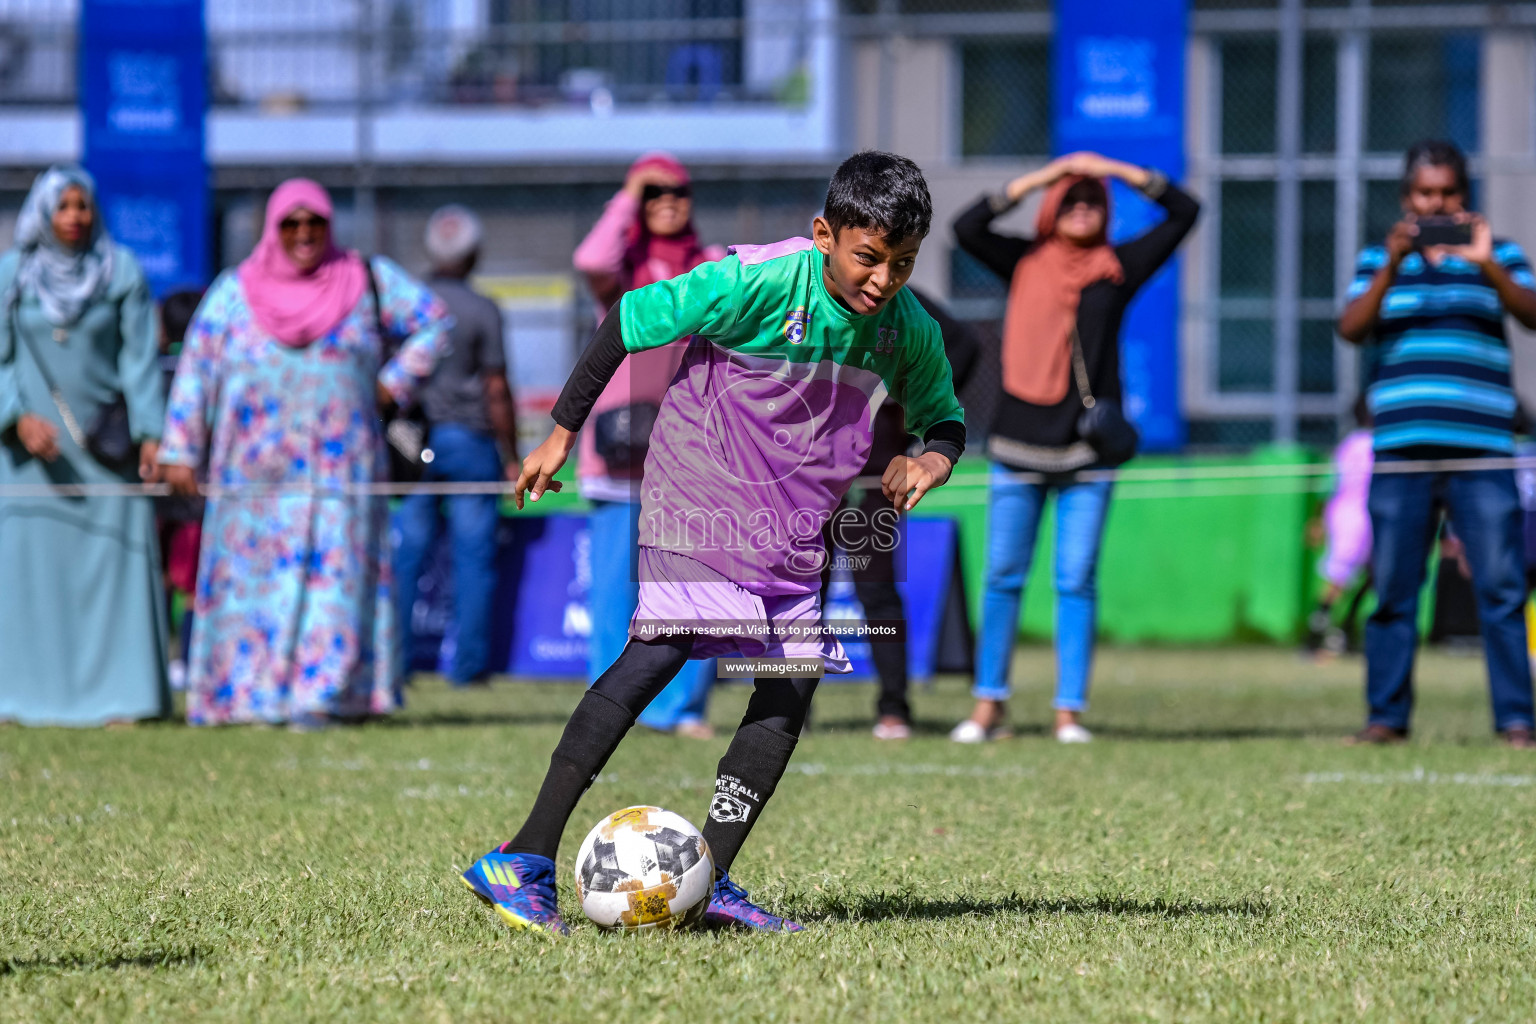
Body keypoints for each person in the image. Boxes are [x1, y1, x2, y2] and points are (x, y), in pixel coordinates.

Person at [460, 151, 965, 935]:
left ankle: (715, 878)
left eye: (902, 264)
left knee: (791, 680)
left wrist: (931, 456)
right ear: (825, 235)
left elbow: (946, 417)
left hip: (795, 520)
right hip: (700, 487)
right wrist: (560, 435)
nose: (883, 280)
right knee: (664, 647)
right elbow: (627, 321)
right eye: (868, 258)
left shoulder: (905, 327)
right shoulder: (751, 282)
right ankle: (522, 856)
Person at [159, 178, 450, 729]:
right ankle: (244, 697)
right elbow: (196, 368)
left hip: (340, 470)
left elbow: (435, 322)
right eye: (290, 224)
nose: (303, 235)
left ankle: (326, 696)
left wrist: (394, 384)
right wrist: (180, 447)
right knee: (251, 587)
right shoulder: (233, 291)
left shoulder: (364, 279)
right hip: (253, 476)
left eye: (314, 223)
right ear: (272, 228)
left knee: (334, 583)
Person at [949, 151, 1199, 744]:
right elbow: (966, 228)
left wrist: (1118, 169)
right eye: (1072, 199)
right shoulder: (1024, 260)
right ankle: (989, 706)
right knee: (1004, 577)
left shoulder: (1118, 267)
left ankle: (1069, 713)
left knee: (1076, 579)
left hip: (1089, 450)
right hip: (1017, 443)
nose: (1083, 208)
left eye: (1093, 201)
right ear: (1053, 208)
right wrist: (1041, 176)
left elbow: (1185, 212)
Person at [1336, 139, 1536, 747]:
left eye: (1448, 191)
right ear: (1407, 198)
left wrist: (1488, 265)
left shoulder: (1498, 253)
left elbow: (1531, 312)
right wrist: (1393, 265)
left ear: (1464, 196)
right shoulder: (1378, 259)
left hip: (1482, 450)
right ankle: (1386, 717)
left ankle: (1517, 720)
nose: (1437, 202)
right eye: (1426, 192)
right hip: (1401, 450)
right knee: (1394, 586)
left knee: (1500, 587)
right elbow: (1351, 328)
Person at [0, 166, 170, 727]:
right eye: (63, 206)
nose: (75, 217)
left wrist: (150, 433)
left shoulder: (120, 271)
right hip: (28, 458)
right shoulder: (12, 276)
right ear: (42, 214)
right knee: (29, 574)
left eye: (83, 205)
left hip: (105, 453)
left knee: (114, 565)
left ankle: (123, 697)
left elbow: (139, 359)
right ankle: (18, 695)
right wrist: (15, 417)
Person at [571, 152, 725, 738]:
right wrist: (629, 192)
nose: (666, 200)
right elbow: (591, 257)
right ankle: (613, 707)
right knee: (615, 592)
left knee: (693, 587)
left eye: (676, 191)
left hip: (691, 456)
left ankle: (684, 708)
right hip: (618, 456)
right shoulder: (622, 267)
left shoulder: (707, 265)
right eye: (653, 192)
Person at [822, 287, 980, 740]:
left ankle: (894, 708)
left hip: (881, 461)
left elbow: (965, 345)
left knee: (877, 587)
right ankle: (790, 707)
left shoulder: (897, 297)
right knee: (804, 589)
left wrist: (921, 407)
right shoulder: (801, 290)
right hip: (810, 463)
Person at [394, 204, 518, 687]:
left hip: (413, 442)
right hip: (471, 442)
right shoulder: (483, 310)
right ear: (474, 254)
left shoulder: (411, 304)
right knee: (473, 558)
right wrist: (511, 455)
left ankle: (396, 662)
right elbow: (495, 389)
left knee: (409, 554)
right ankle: (468, 669)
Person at [156, 287, 206, 691]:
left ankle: (157, 660)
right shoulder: (199, 373)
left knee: (160, 581)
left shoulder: (153, 368)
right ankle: (187, 661)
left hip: (156, 495)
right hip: (194, 497)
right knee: (192, 588)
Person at [1305, 397, 1374, 658]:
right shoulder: (1360, 445)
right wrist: (1317, 520)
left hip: (1357, 514)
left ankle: (1346, 629)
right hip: (1354, 515)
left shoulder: (1350, 444)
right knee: (1339, 577)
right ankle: (1315, 635)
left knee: (1373, 573)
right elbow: (1330, 483)